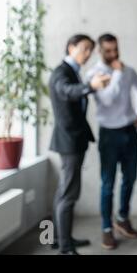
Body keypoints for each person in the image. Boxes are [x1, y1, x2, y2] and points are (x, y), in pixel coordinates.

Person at [49, 34, 111, 255]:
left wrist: (89, 86)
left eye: (90, 51)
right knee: (69, 194)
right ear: (71, 47)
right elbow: (67, 91)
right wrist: (90, 86)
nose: (87, 54)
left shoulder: (72, 71)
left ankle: (60, 239)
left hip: (74, 140)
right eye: (84, 49)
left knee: (64, 192)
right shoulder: (61, 72)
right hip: (69, 142)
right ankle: (65, 247)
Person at [85, 33, 137, 250]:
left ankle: (122, 218)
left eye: (116, 49)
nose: (114, 54)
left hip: (129, 132)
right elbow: (108, 99)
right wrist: (118, 73)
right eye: (109, 51)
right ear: (101, 52)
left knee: (130, 178)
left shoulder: (128, 71)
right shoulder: (94, 74)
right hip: (109, 135)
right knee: (108, 184)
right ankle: (106, 228)